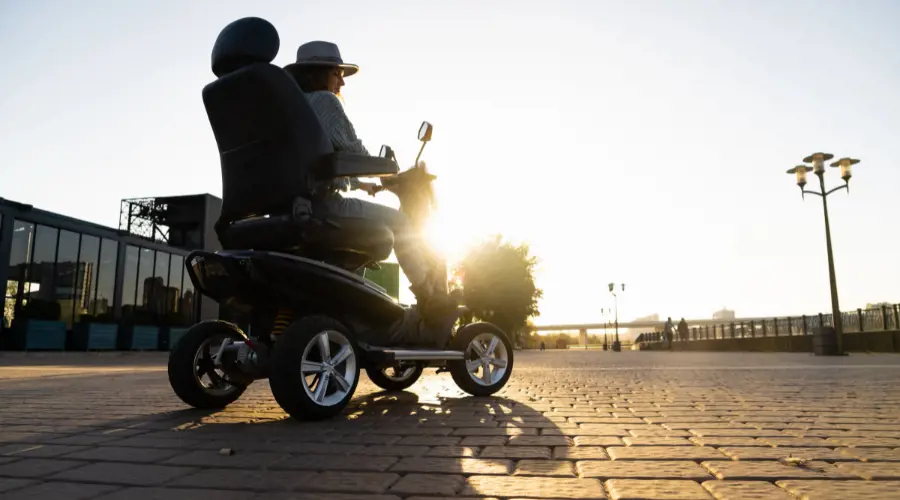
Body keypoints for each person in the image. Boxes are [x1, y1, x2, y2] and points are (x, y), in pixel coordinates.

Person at [284, 41, 454, 343]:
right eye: (337, 72)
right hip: (325, 204)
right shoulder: (324, 101)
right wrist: (387, 169)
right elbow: (352, 149)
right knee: (402, 224)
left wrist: (363, 185)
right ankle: (433, 301)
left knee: (367, 242)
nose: (342, 81)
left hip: (298, 203)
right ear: (319, 74)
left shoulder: (291, 108)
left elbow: (317, 165)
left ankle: (358, 318)